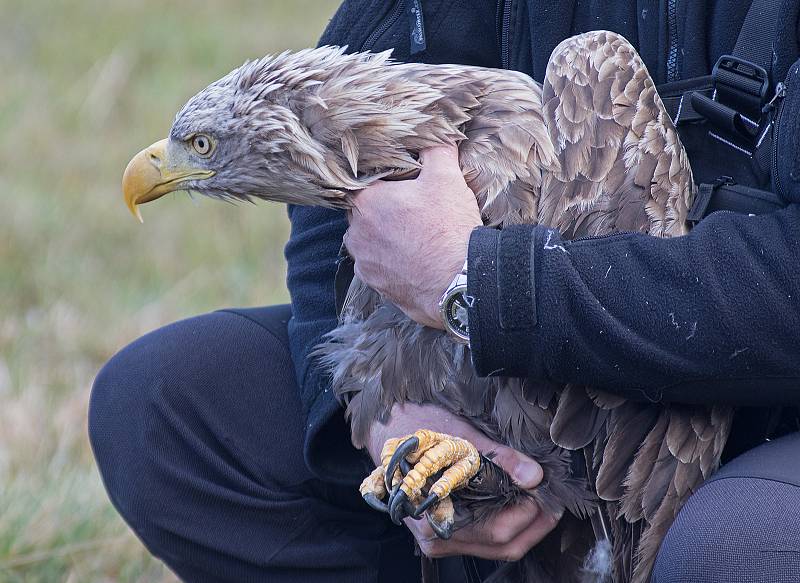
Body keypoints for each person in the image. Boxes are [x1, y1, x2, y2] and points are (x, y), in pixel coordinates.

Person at [89, 1, 800, 582]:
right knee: (162, 406)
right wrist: (379, 415)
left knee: (731, 550)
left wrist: (475, 282)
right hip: (505, 393)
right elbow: (326, 194)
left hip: (757, 420)